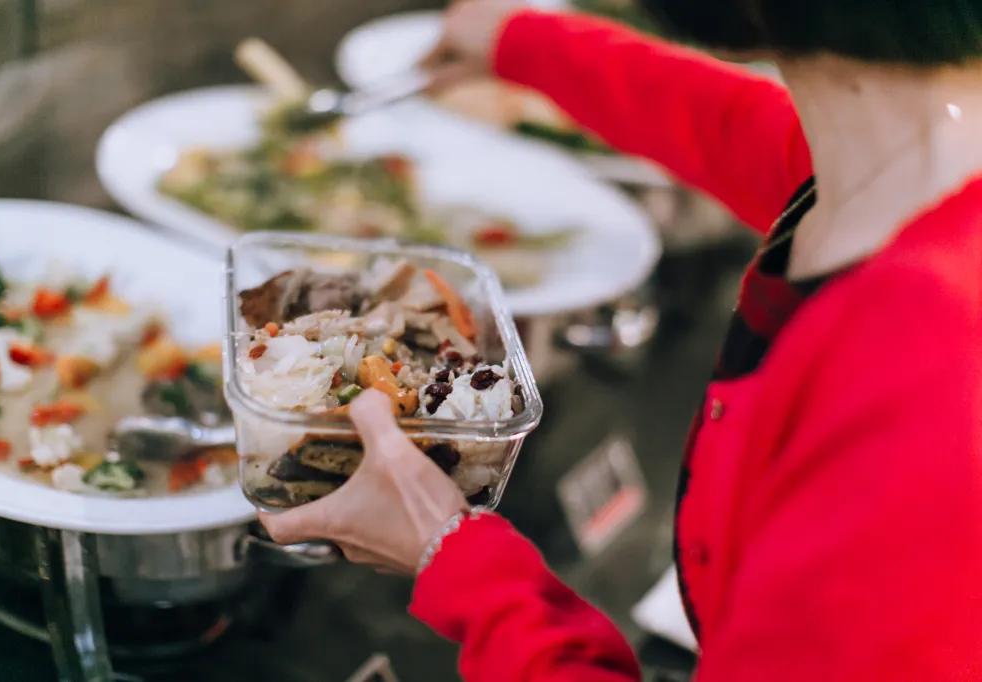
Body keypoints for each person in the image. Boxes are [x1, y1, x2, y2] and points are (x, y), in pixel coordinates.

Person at [260, 1, 982, 678]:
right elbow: (740, 129)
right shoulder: (903, 164)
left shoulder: (919, 387)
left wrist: (449, 553)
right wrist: (523, 45)